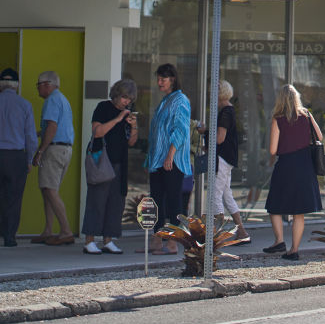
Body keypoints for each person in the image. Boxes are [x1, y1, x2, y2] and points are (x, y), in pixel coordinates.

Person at [264, 84, 322, 261]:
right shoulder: (306, 115)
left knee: (274, 205)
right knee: (299, 212)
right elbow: (319, 137)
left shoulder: (278, 119)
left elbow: (273, 150)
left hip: (286, 166)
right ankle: (294, 250)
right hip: (305, 166)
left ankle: (279, 240)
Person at [81, 79, 139, 255]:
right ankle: (89, 240)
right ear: (116, 94)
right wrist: (118, 119)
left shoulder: (127, 113)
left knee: (116, 202)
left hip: (119, 162)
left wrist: (134, 125)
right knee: (96, 200)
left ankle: (109, 239)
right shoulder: (103, 108)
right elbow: (97, 132)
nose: (126, 102)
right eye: (124, 97)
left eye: (129, 99)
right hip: (102, 160)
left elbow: (131, 142)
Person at [145, 63, 191, 255]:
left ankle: (172, 243)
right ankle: (157, 239)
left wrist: (170, 154)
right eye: (158, 78)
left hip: (173, 160)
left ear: (172, 79)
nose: (159, 82)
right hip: (158, 160)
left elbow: (180, 130)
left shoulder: (180, 100)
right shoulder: (165, 101)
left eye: (163, 79)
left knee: (173, 201)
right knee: (156, 199)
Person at [198, 79, 249, 243]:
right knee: (227, 195)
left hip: (222, 158)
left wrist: (205, 133)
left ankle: (216, 236)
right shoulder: (229, 111)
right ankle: (241, 232)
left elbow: (220, 138)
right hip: (227, 158)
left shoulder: (225, 112)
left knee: (215, 195)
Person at [32, 71, 76, 246]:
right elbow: (53, 127)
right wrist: (35, 134)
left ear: (47, 84)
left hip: (54, 149)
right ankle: (48, 231)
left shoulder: (51, 100)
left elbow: (52, 125)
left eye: (39, 84)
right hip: (64, 149)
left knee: (50, 190)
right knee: (48, 190)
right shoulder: (61, 99)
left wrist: (40, 151)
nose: (37, 88)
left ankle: (65, 231)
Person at [0, 68, 36, 247]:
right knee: (14, 198)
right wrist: (29, 159)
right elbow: (30, 136)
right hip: (16, 157)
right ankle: (9, 237)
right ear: (16, 85)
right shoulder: (24, 105)